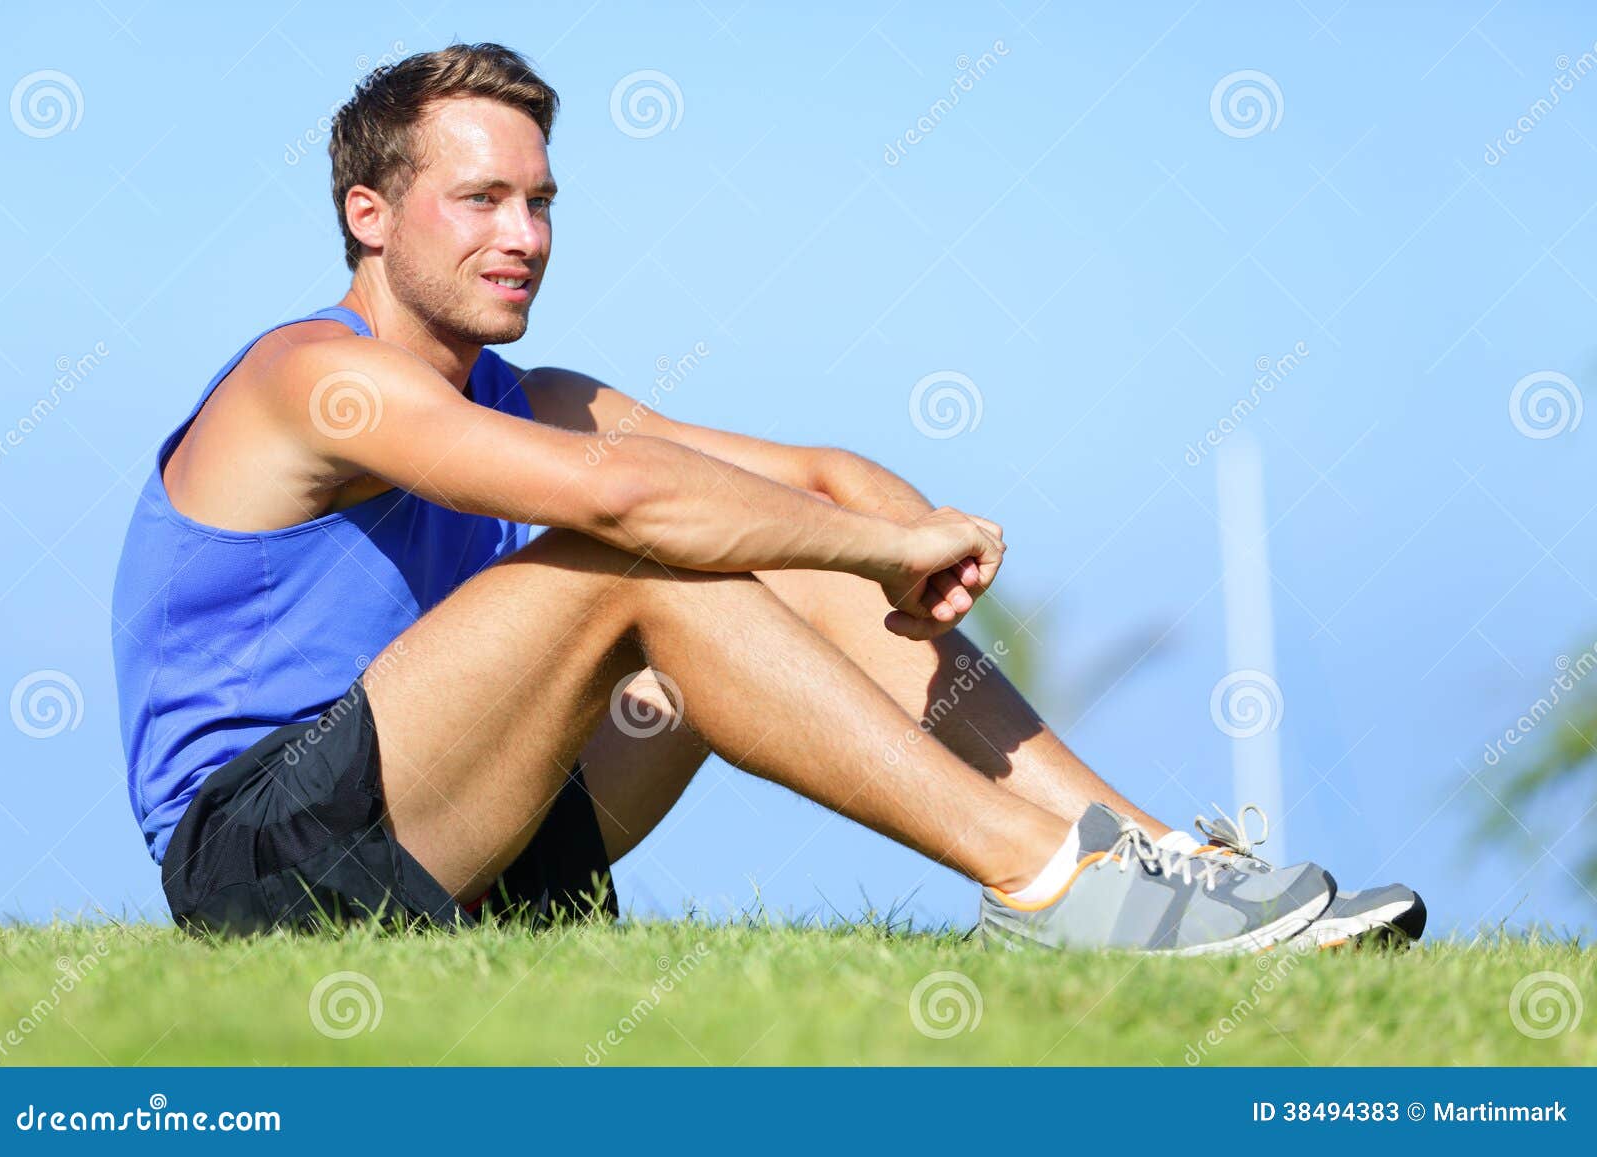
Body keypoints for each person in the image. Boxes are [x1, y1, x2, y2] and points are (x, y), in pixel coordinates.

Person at [111, 42, 1423, 952]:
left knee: (780, 551)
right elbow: (629, 506)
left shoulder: (537, 392)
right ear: (372, 215)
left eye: (543, 202)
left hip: (461, 848)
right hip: (263, 860)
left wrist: (898, 551)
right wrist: (883, 540)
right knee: (635, 558)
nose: (526, 236)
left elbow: (815, 482)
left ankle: (1161, 864)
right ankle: (1046, 881)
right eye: (482, 200)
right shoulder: (314, 378)